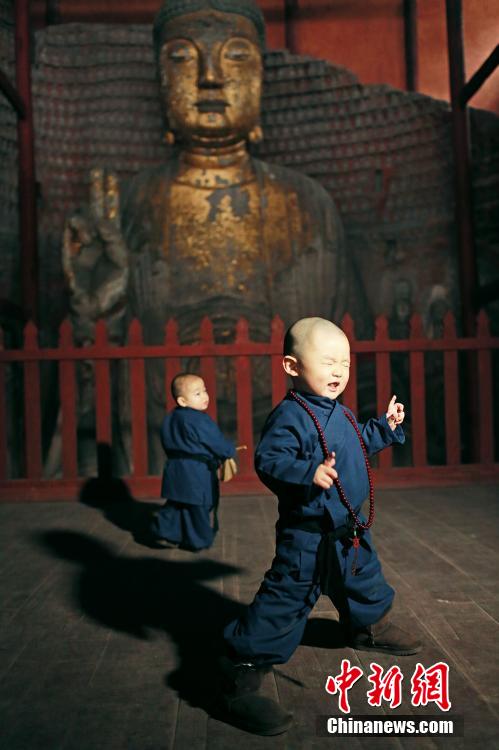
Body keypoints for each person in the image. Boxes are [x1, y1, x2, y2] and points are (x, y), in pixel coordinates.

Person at [218, 317, 422, 735]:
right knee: (286, 597)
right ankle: (241, 670)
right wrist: (307, 472)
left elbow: (359, 441)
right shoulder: (289, 417)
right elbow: (269, 461)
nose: (338, 371)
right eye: (328, 362)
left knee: (363, 579)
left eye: (344, 364)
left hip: (347, 528)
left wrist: (386, 427)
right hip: (307, 535)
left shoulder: (340, 412)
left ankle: (368, 627)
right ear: (292, 366)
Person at [150, 373, 236, 551]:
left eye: (204, 391)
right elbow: (215, 441)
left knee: (178, 503)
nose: (205, 396)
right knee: (199, 506)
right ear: (182, 401)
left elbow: (166, 440)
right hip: (196, 471)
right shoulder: (198, 420)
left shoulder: (171, 418)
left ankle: (165, 530)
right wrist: (229, 450)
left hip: (174, 468)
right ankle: (198, 540)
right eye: (197, 393)